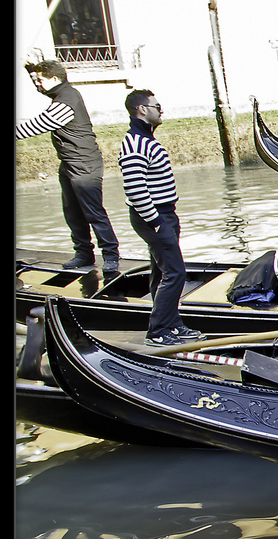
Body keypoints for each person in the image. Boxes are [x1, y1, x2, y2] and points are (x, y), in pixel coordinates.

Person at [18, 58, 119, 272]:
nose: (39, 85)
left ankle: (111, 256)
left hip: (84, 164)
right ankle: (84, 254)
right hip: (69, 163)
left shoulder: (67, 100)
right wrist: (30, 69)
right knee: (72, 211)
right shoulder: (60, 92)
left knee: (93, 212)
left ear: (54, 79)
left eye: (41, 80)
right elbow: (40, 89)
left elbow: (39, 124)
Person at [116, 89, 199, 344]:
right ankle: (158, 331)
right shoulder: (135, 144)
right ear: (142, 109)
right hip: (153, 217)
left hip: (164, 214)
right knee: (175, 272)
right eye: (157, 106)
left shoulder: (146, 140)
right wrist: (156, 223)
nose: (160, 111)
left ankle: (171, 324)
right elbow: (135, 188)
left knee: (162, 272)